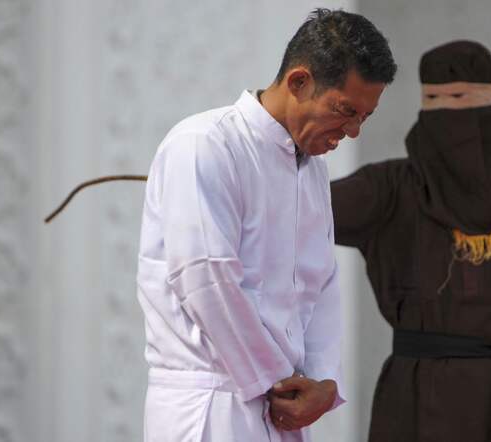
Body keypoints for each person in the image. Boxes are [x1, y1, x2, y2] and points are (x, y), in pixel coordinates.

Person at [136, 8, 397, 442]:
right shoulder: (204, 144)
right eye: (344, 110)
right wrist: (280, 381)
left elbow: (322, 281)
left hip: (284, 406)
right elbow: (206, 276)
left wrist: (323, 383)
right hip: (210, 409)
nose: (352, 131)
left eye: (363, 118)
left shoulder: (310, 168)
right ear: (299, 82)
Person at [331, 40, 491, 442]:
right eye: (434, 99)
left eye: (459, 98)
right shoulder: (390, 188)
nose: (449, 115)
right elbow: (294, 213)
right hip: (412, 404)